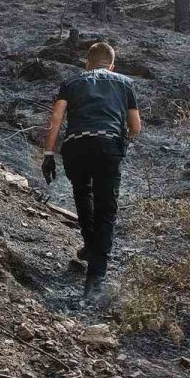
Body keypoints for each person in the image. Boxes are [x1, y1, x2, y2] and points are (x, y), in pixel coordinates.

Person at [41, 41, 142, 299]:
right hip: (108, 146)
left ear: (87, 62)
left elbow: (56, 119)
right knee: (106, 209)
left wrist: (48, 154)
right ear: (111, 65)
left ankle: (89, 244)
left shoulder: (72, 82)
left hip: (76, 146)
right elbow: (136, 127)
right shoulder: (125, 83)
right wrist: (124, 137)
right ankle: (95, 280)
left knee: (82, 194)